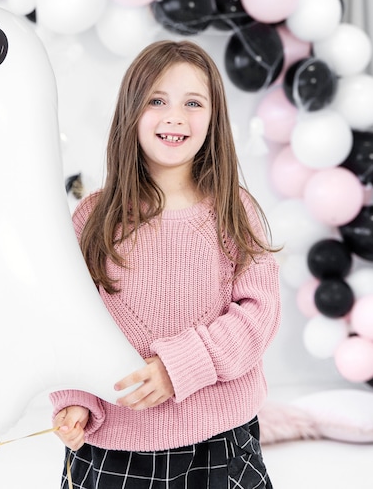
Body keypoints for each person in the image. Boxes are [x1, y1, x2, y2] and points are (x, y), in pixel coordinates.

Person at [50, 40, 281, 489]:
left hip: (219, 441)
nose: (175, 117)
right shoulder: (92, 219)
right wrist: (74, 398)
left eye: (193, 103)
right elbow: (67, 321)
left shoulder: (234, 211)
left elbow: (259, 315)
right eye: (157, 100)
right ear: (131, 112)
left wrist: (180, 366)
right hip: (114, 447)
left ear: (213, 118)